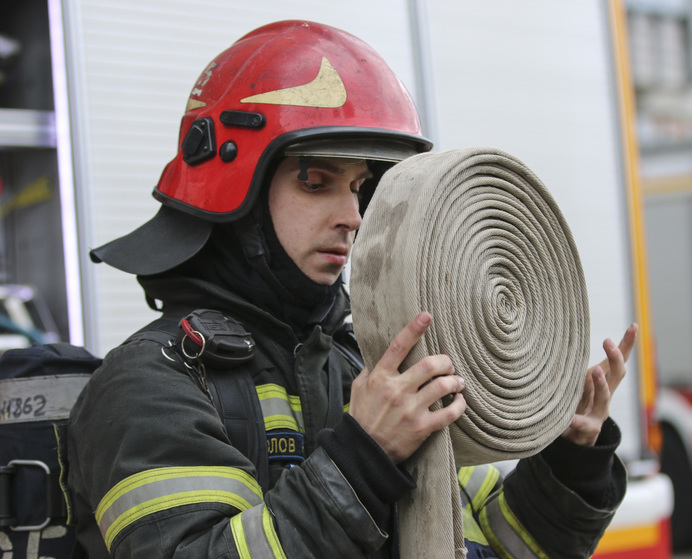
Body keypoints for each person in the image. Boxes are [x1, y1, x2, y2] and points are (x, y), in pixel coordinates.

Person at [66, 20, 636, 559]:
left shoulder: (373, 373)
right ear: (233, 185)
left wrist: (571, 459)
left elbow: (492, 545)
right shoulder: (148, 385)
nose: (353, 216)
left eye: (361, 187)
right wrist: (361, 460)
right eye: (316, 181)